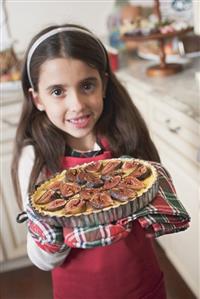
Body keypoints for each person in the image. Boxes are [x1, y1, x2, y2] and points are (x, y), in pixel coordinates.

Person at [11, 23, 169, 299]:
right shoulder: (35, 159)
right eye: (57, 92)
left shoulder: (123, 136)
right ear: (37, 98)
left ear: (104, 84)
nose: (77, 105)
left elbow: (153, 225)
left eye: (86, 86)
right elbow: (43, 260)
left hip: (145, 286)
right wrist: (53, 229)